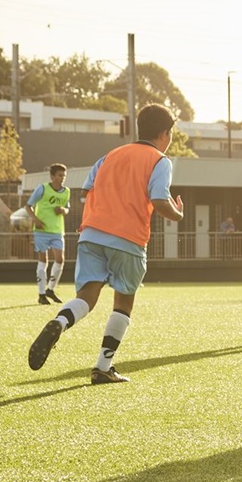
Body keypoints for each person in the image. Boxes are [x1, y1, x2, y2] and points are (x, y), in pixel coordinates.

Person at [27, 104, 185, 384]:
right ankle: (102, 367)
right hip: (128, 238)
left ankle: (60, 322)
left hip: (91, 233)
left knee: (86, 297)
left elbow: (87, 190)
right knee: (123, 302)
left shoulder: (109, 156)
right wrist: (178, 213)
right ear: (165, 133)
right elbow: (160, 201)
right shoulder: (160, 161)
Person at [25, 163, 70, 305]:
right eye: (59, 175)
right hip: (41, 231)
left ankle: (50, 289)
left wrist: (63, 210)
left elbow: (67, 208)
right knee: (43, 260)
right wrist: (35, 219)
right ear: (52, 176)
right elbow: (28, 206)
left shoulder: (66, 191)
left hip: (57, 230)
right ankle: (41, 293)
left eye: (64, 175)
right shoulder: (42, 188)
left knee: (60, 259)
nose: (62, 178)